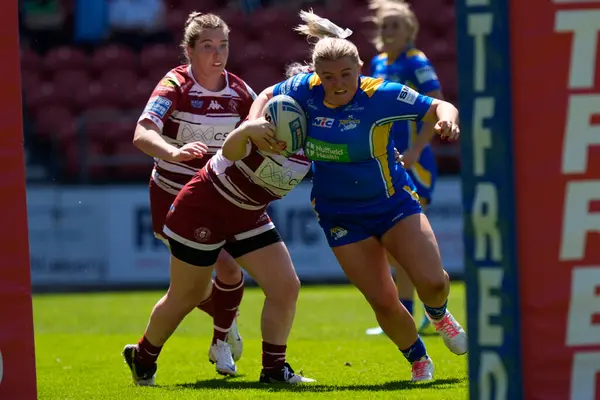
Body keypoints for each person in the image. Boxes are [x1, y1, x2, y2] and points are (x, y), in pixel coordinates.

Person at [247, 10, 467, 381]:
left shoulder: (380, 94)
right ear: (317, 75)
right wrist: (254, 122)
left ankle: (439, 313)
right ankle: (418, 360)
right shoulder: (303, 89)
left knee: (433, 281)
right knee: (383, 299)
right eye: (328, 76)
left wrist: (448, 119)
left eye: (346, 74)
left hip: (393, 202)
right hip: (340, 214)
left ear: (359, 68)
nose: (337, 84)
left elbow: (438, 105)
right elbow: (268, 93)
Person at [123, 11, 255, 384]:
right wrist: (172, 152)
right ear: (189, 50)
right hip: (171, 196)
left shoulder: (240, 92)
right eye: (208, 46)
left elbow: (259, 134)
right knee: (207, 281)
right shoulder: (175, 84)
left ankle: (159, 353)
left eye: (224, 45)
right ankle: (222, 332)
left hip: (216, 196)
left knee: (207, 281)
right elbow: (142, 133)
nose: (218, 54)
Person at [365, 0, 444, 336]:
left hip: (413, 162)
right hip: (386, 162)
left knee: (409, 244)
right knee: (390, 246)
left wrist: (415, 150)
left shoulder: (416, 62)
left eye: (395, 25)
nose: (388, 31)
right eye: (385, 25)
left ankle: (417, 312)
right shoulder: (377, 63)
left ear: (410, 30)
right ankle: (413, 312)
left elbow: (436, 102)